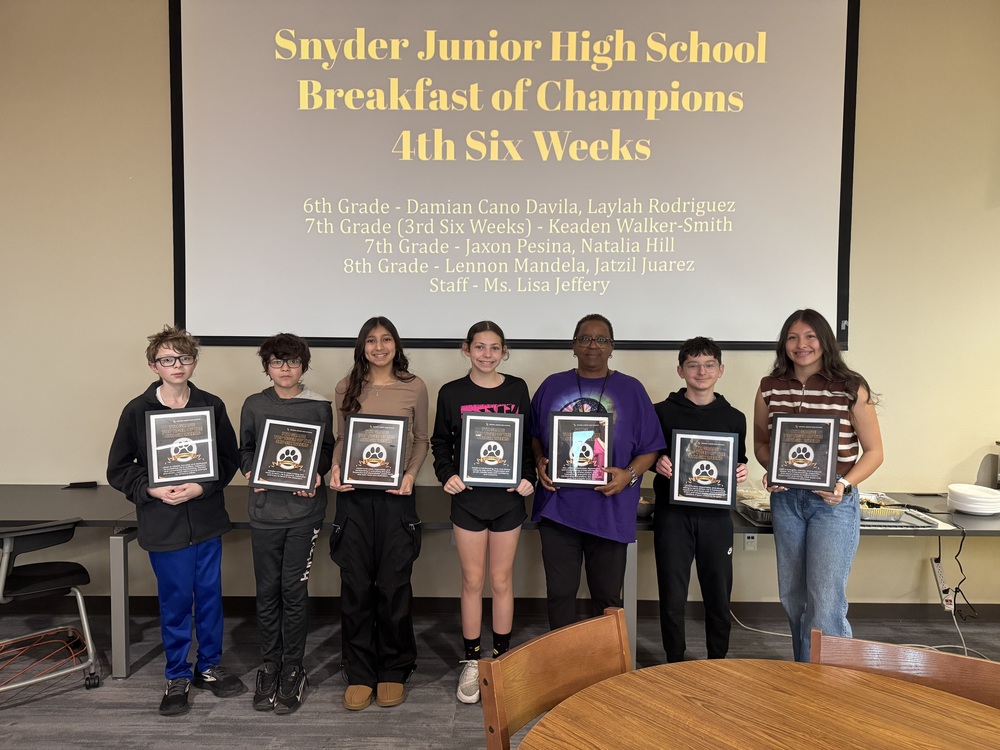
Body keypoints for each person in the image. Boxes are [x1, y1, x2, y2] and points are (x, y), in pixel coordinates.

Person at [107, 325, 245, 716]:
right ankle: (178, 674)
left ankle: (209, 667)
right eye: (167, 359)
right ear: (154, 366)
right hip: (163, 523)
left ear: (194, 362)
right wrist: (150, 489)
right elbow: (119, 468)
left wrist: (202, 486)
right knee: (176, 602)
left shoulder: (211, 405)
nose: (177, 365)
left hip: (206, 520)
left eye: (184, 358)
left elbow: (228, 458)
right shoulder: (137, 410)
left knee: (210, 599)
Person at [753, 309, 883, 662]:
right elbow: (762, 444)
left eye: (810, 336)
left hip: (832, 503)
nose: (802, 345)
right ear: (784, 344)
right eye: (793, 337)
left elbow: (874, 452)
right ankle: (805, 674)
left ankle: (833, 680)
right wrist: (773, 470)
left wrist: (843, 484)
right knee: (793, 597)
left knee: (825, 601)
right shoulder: (769, 387)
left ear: (825, 340)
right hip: (786, 502)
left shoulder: (851, 387)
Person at [531, 314, 665, 629]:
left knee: (606, 598)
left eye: (601, 339)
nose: (593, 345)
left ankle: (603, 661)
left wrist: (629, 475)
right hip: (559, 509)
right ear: (573, 345)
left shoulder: (631, 389)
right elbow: (534, 434)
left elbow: (651, 447)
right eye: (585, 338)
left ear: (612, 346)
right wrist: (539, 460)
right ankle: (563, 657)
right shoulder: (552, 385)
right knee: (560, 593)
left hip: (610, 509)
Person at [430, 321, 536, 705]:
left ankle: (501, 660)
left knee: (502, 580)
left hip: (508, 501)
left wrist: (528, 477)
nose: (487, 354)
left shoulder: (517, 388)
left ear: (504, 351)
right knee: (473, 581)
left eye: (494, 347)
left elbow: (528, 441)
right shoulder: (451, 392)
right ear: (466, 349)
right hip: (468, 501)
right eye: (479, 347)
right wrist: (447, 474)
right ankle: (473, 661)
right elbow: (440, 442)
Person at [328, 317, 430, 711]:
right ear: (362, 347)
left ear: (396, 345)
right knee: (356, 586)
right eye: (371, 340)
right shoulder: (346, 387)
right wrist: (336, 469)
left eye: (386, 339)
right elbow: (342, 438)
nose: (379, 347)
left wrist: (410, 475)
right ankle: (359, 671)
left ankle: (395, 668)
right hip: (354, 499)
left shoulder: (414, 386)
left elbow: (421, 440)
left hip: (396, 499)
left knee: (393, 585)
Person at [238, 333, 334, 714]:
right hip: (264, 513)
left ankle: (293, 667)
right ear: (267, 367)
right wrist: (251, 472)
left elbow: (327, 450)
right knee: (267, 591)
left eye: (292, 362)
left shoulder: (319, 406)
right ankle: (270, 665)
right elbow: (245, 450)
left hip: (303, 514)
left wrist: (317, 474)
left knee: (294, 591)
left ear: (303, 366)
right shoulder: (254, 404)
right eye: (277, 362)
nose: (285, 369)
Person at [651, 337, 748, 663]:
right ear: (681, 370)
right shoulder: (661, 412)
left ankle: (717, 660)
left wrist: (741, 470)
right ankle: (674, 660)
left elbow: (738, 460)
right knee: (672, 594)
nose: (701, 371)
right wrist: (656, 463)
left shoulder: (734, 417)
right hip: (672, 516)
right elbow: (647, 455)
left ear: (721, 370)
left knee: (718, 595)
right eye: (693, 365)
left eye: (708, 365)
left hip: (716, 518)